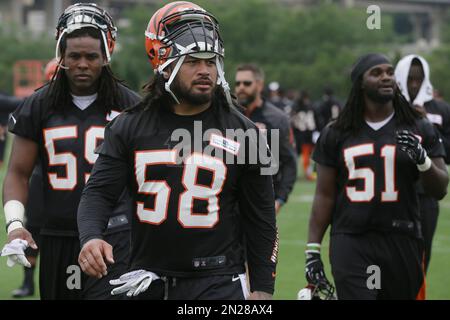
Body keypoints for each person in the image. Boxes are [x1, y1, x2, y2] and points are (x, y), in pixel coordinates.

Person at [77, 1, 278, 300]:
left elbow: (261, 220)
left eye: (210, 61)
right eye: (193, 60)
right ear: (163, 61)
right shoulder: (129, 126)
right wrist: (91, 237)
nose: (205, 70)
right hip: (147, 279)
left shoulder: (245, 132)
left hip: (219, 281)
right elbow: (98, 193)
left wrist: (262, 289)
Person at [1, 3, 140, 299]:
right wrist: (15, 224)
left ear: (105, 55)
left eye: (91, 56)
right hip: (58, 236)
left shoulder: (130, 106)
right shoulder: (39, 105)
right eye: (73, 55)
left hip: (114, 235)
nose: (82, 64)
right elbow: (18, 172)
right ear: (61, 56)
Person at [303, 53, 448, 300]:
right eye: (377, 73)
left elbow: (440, 189)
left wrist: (422, 159)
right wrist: (313, 251)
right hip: (352, 238)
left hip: (402, 237)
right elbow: (325, 195)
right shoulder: (337, 132)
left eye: (390, 72)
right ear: (360, 81)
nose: (386, 78)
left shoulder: (418, 127)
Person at [395, 54, 450, 273]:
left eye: (419, 79)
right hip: (395, 192)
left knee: (421, 260)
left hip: (426, 194)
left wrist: (426, 124)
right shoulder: (389, 106)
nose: (414, 84)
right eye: (409, 79)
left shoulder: (439, 109)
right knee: (393, 259)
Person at [235, 63, 297, 214]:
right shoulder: (228, 114)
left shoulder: (277, 119)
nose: (241, 87)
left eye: (247, 83)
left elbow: (289, 161)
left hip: (263, 200)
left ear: (260, 85)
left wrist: (280, 199)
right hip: (231, 201)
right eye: (237, 83)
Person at [291, 90, 318, 181]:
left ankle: (305, 173)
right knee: (308, 155)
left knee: (302, 155)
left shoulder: (296, 107)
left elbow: (293, 121)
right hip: (308, 133)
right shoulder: (311, 106)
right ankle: (308, 173)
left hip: (300, 133)